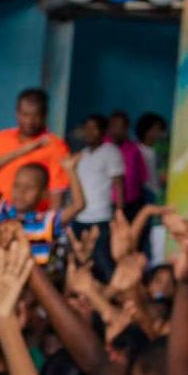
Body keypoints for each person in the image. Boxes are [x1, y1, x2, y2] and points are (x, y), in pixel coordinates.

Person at [0, 87, 71, 207]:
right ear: (17, 112)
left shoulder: (55, 146)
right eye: (25, 114)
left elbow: (57, 193)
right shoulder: (0, 139)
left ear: (45, 115)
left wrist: (49, 224)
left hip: (31, 223)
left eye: (36, 116)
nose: (30, 121)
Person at [63, 113, 124, 265]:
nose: (89, 132)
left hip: (101, 218)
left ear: (103, 131)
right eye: (87, 128)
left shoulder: (110, 152)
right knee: (77, 261)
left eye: (94, 128)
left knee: (102, 261)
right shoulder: (82, 155)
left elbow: (119, 185)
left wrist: (119, 213)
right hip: (79, 217)